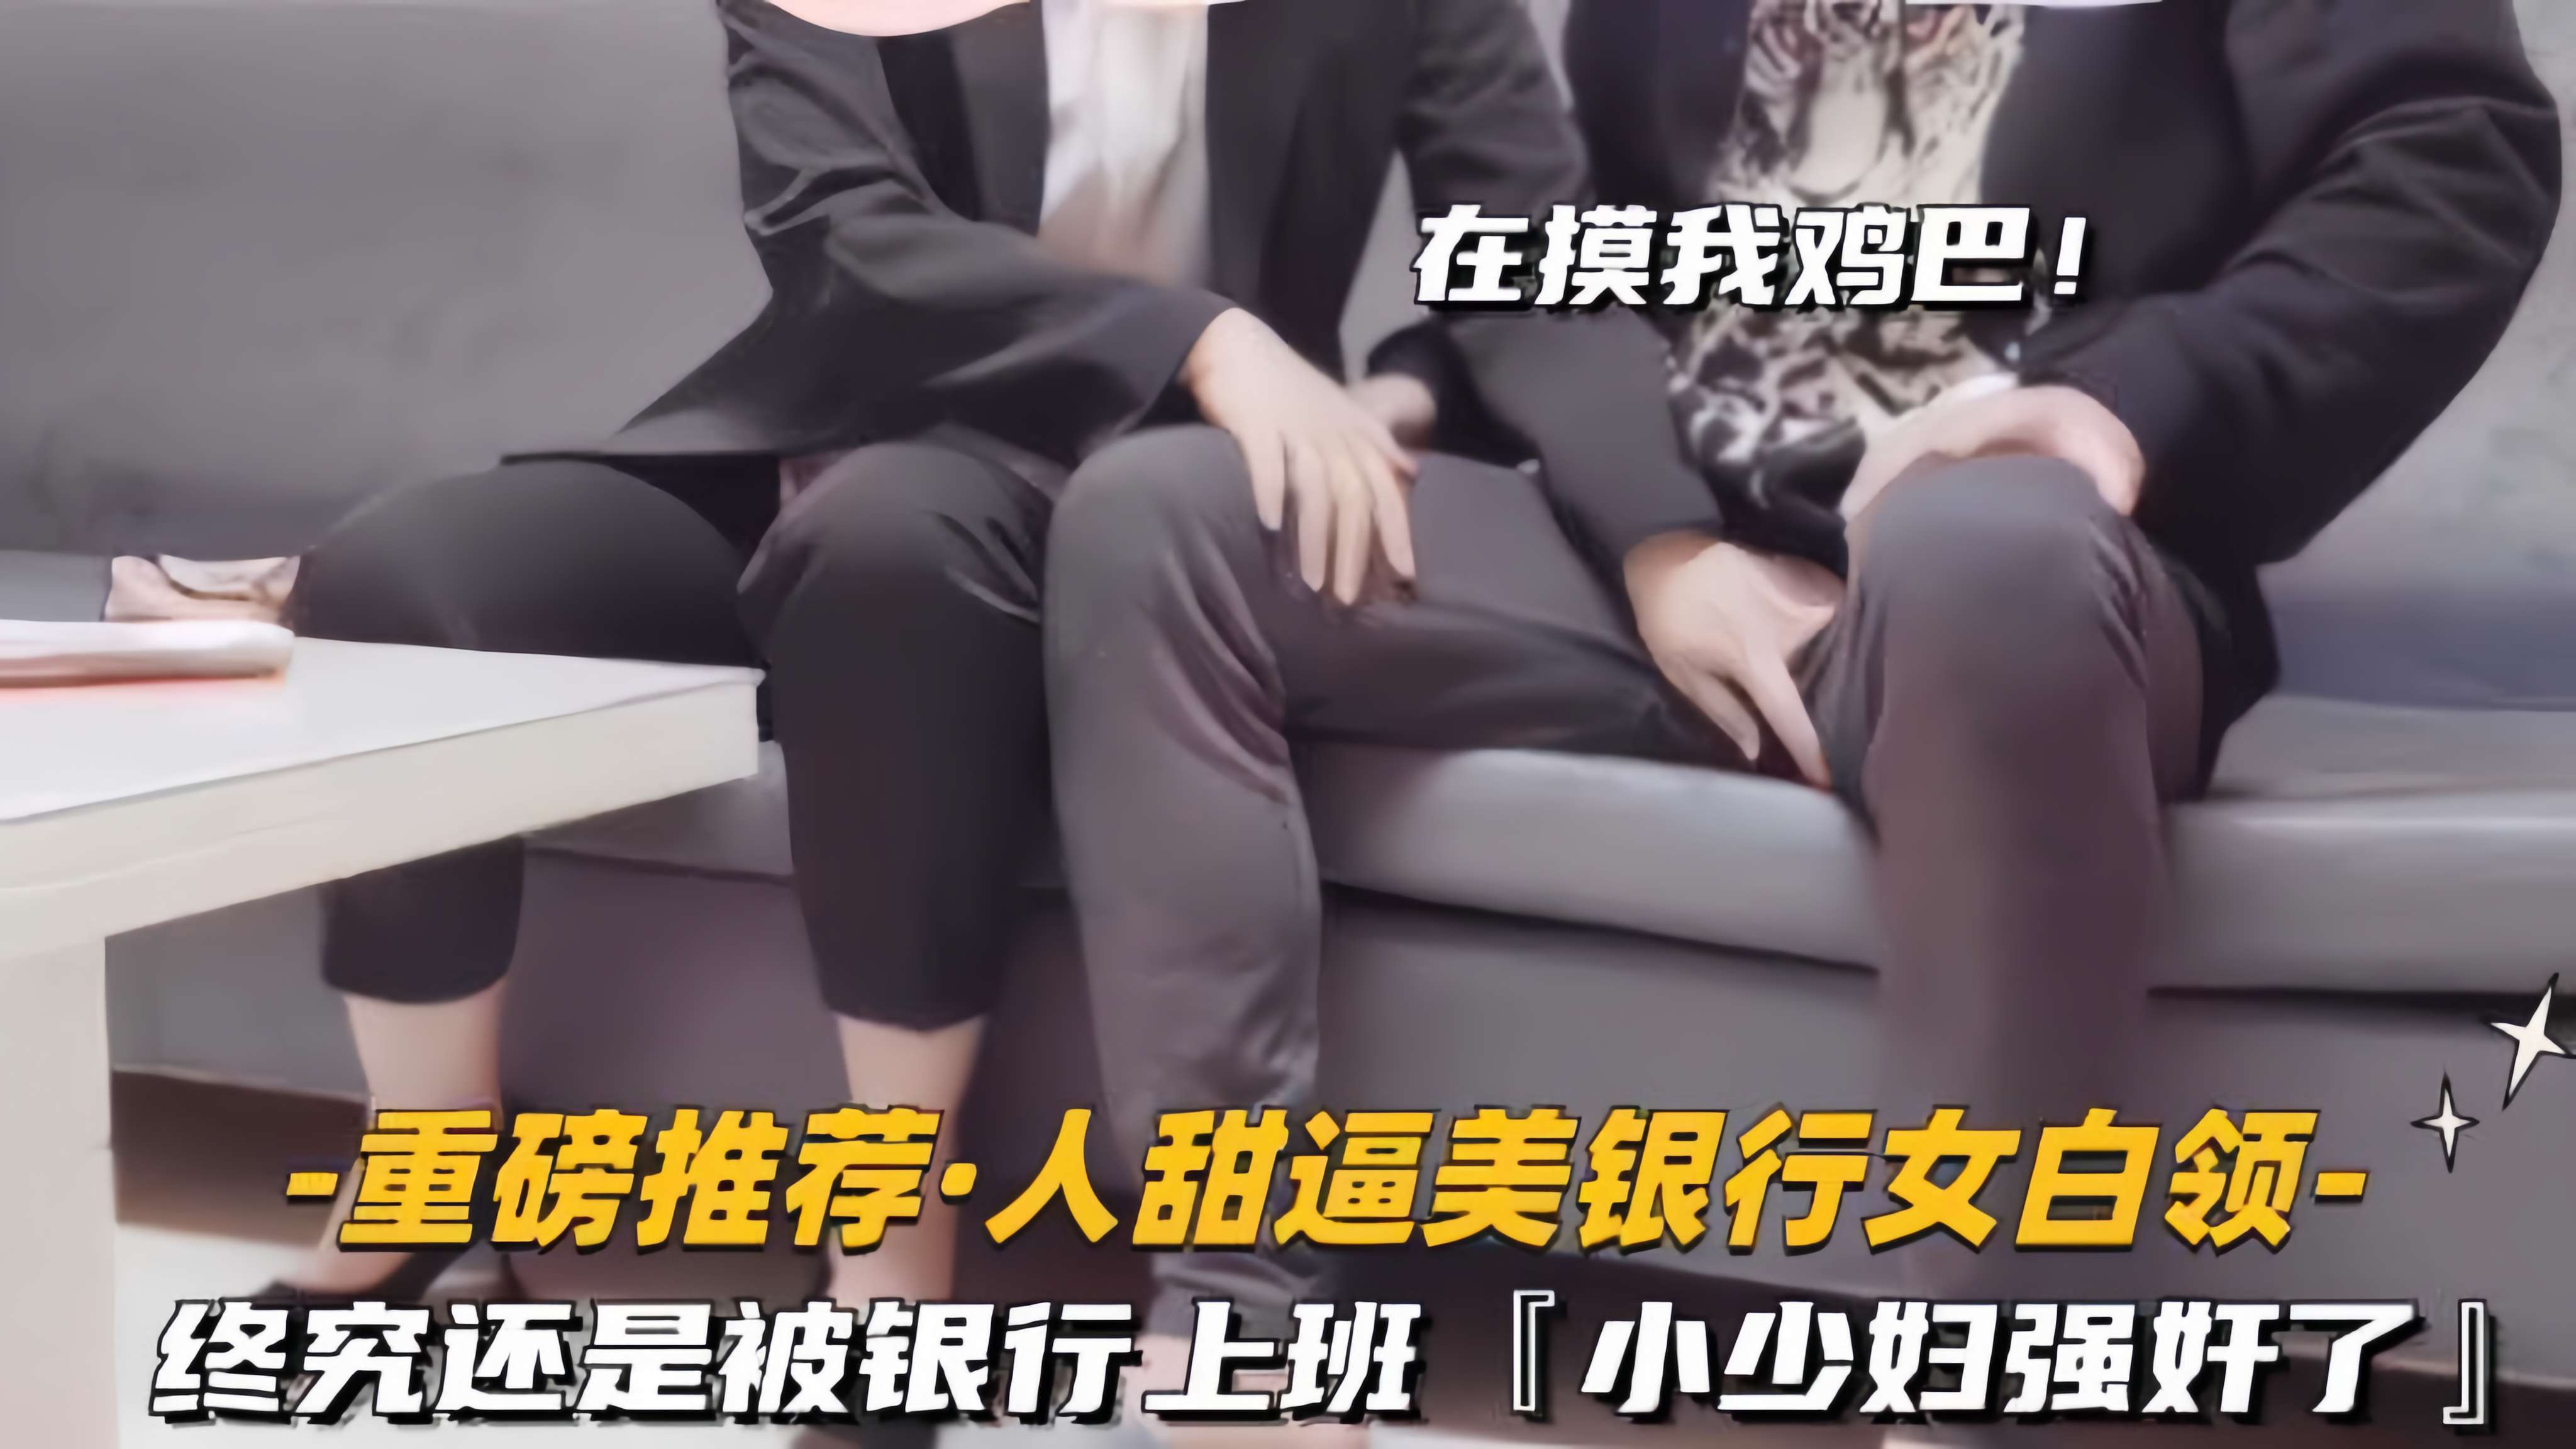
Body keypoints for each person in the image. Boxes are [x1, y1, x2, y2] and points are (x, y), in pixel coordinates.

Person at [1045, 0, 2560, 1358]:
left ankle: (1964, 1379)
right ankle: (1239, 1329)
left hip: (2020, 570)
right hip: (1674, 559)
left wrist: (2127, 406)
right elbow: (1627, 245)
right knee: (1166, 516)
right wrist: (1427, 386)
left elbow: (2451, 155)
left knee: (1981, 553)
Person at [261, 0, 1713, 1368]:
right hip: (822, 436)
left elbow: (1535, 261)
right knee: (400, 581)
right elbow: (840, 230)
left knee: (891, 542)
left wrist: (1662, 539)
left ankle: (892, 1233)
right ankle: (435, 1160)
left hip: (1140, 505)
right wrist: (1204, 340)